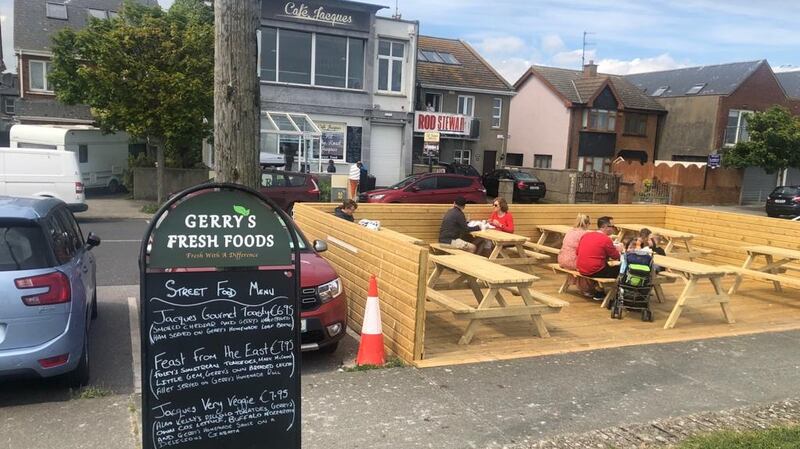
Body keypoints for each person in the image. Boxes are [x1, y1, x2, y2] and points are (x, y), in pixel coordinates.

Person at [576, 216, 623, 299]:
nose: (614, 229)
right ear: (605, 227)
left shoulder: (586, 235)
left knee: (606, 266)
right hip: (594, 270)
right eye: (612, 226)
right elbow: (616, 256)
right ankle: (621, 295)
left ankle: (599, 291)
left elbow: (577, 252)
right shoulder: (606, 239)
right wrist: (619, 249)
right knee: (622, 269)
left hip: (581, 268)